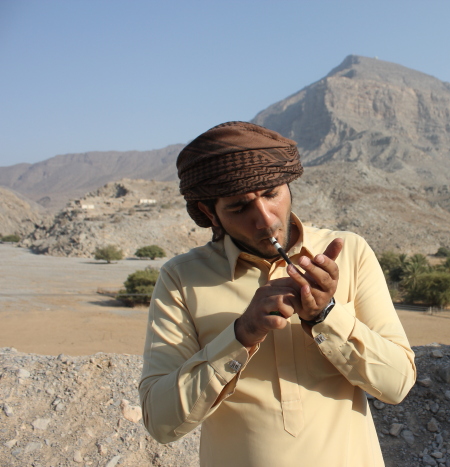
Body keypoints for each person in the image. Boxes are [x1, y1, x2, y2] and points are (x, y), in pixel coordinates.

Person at [139, 121, 416, 466]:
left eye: (272, 194)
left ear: (288, 185)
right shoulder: (181, 278)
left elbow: (397, 384)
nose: (266, 220)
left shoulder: (351, 253)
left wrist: (326, 315)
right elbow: (161, 422)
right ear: (211, 213)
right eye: (240, 208)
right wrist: (242, 334)